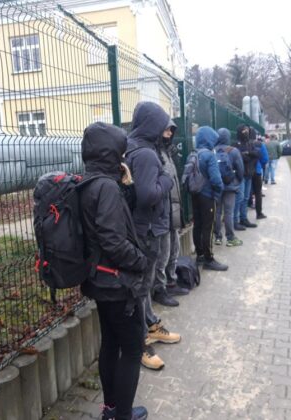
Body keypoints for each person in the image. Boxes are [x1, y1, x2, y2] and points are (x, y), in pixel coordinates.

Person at [79, 122, 149, 420]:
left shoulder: (90, 182)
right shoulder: (105, 187)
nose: (124, 158)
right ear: (110, 153)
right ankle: (122, 415)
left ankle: (110, 410)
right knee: (132, 350)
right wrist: (140, 260)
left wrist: (127, 183)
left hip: (99, 279)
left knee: (110, 343)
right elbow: (112, 238)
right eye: (120, 152)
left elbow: (118, 218)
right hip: (118, 283)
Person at [125, 102, 181, 371]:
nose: (164, 131)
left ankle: (150, 324)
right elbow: (147, 196)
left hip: (141, 227)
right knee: (141, 287)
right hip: (148, 230)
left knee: (143, 287)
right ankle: (140, 343)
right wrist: (167, 181)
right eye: (161, 126)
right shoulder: (146, 154)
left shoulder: (133, 147)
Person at [152, 120, 189, 307]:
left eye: (171, 130)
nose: (169, 133)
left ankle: (171, 281)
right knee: (163, 253)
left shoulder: (167, 152)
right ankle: (160, 289)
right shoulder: (154, 154)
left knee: (174, 248)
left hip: (174, 207)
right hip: (163, 210)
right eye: (165, 129)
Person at [192, 126, 228, 271]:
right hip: (207, 196)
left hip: (195, 194)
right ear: (210, 139)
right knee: (208, 227)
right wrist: (218, 193)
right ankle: (209, 259)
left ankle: (199, 255)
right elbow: (216, 180)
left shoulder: (193, 154)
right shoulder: (209, 155)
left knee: (198, 225)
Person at [213, 128, 245, 247]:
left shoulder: (213, 150)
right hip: (230, 186)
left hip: (216, 186)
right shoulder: (233, 151)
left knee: (217, 212)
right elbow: (241, 170)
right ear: (228, 137)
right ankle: (230, 238)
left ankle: (217, 237)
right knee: (228, 213)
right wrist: (237, 181)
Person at [233, 124, 259, 229]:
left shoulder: (250, 143)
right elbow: (239, 157)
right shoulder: (236, 145)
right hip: (241, 175)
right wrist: (249, 156)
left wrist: (248, 153)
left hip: (249, 174)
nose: (246, 132)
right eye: (244, 131)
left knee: (246, 198)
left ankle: (244, 219)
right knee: (240, 198)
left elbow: (257, 155)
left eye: (247, 130)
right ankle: (235, 220)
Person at [252, 137, 269, 219]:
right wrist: (260, 166)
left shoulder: (241, 144)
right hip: (257, 171)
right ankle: (259, 213)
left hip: (245, 172)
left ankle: (242, 216)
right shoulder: (259, 144)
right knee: (258, 193)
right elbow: (265, 158)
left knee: (245, 194)